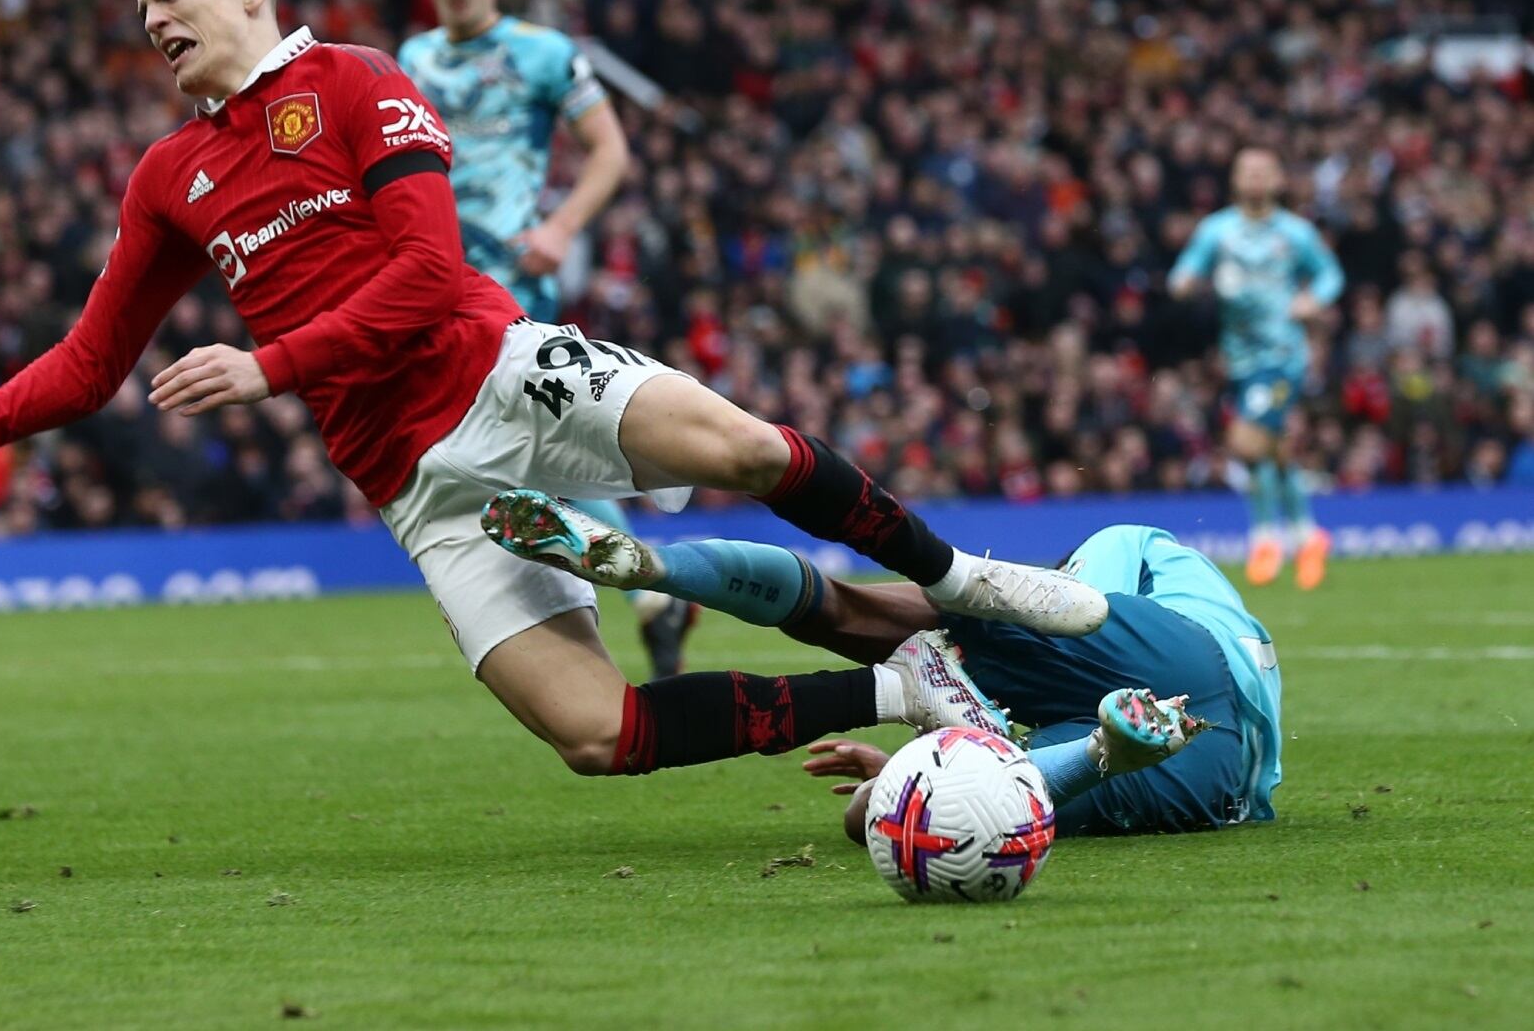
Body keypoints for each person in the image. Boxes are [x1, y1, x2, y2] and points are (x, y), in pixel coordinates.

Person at [0, 0, 1106, 785]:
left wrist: (268, 365)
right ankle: (905, 686)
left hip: (501, 372)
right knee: (598, 737)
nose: (154, 21)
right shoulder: (169, 174)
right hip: (414, 481)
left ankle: (956, 583)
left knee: (747, 453)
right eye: (141, 7)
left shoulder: (361, 82)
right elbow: (88, 362)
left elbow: (434, 278)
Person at [484, 493, 1279, 835]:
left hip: (1176, 654)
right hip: (1218, 770)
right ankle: (949, 722)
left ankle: (662, 570)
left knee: (858, 609)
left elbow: (1113, 560)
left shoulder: (1129, 547)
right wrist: (903, 775)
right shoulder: (1165, 571)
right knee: (891, 812)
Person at [399, 0, 691, 679]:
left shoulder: (545, 52)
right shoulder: (411, 59)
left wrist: (561, 229)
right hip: (435, 280)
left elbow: (610, 151)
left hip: (510, 284)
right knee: (524, 453)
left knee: (512, 445)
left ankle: (642, 583)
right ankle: (653, 588)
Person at [1169, 148, 1344, 588]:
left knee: (1247, 442)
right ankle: (1306, 535)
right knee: (1273, 446)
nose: (1255, 178)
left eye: (1264, 171)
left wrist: (1312, 299)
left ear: (1279, 179)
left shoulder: (1294, 232)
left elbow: (1330, 275)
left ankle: (1265, 535)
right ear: (1234, 178)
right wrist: (1186, 283)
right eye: (1247, 170)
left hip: (1284, 356)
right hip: (1240, 359)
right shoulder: (1218, 230)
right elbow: (1183, 272)